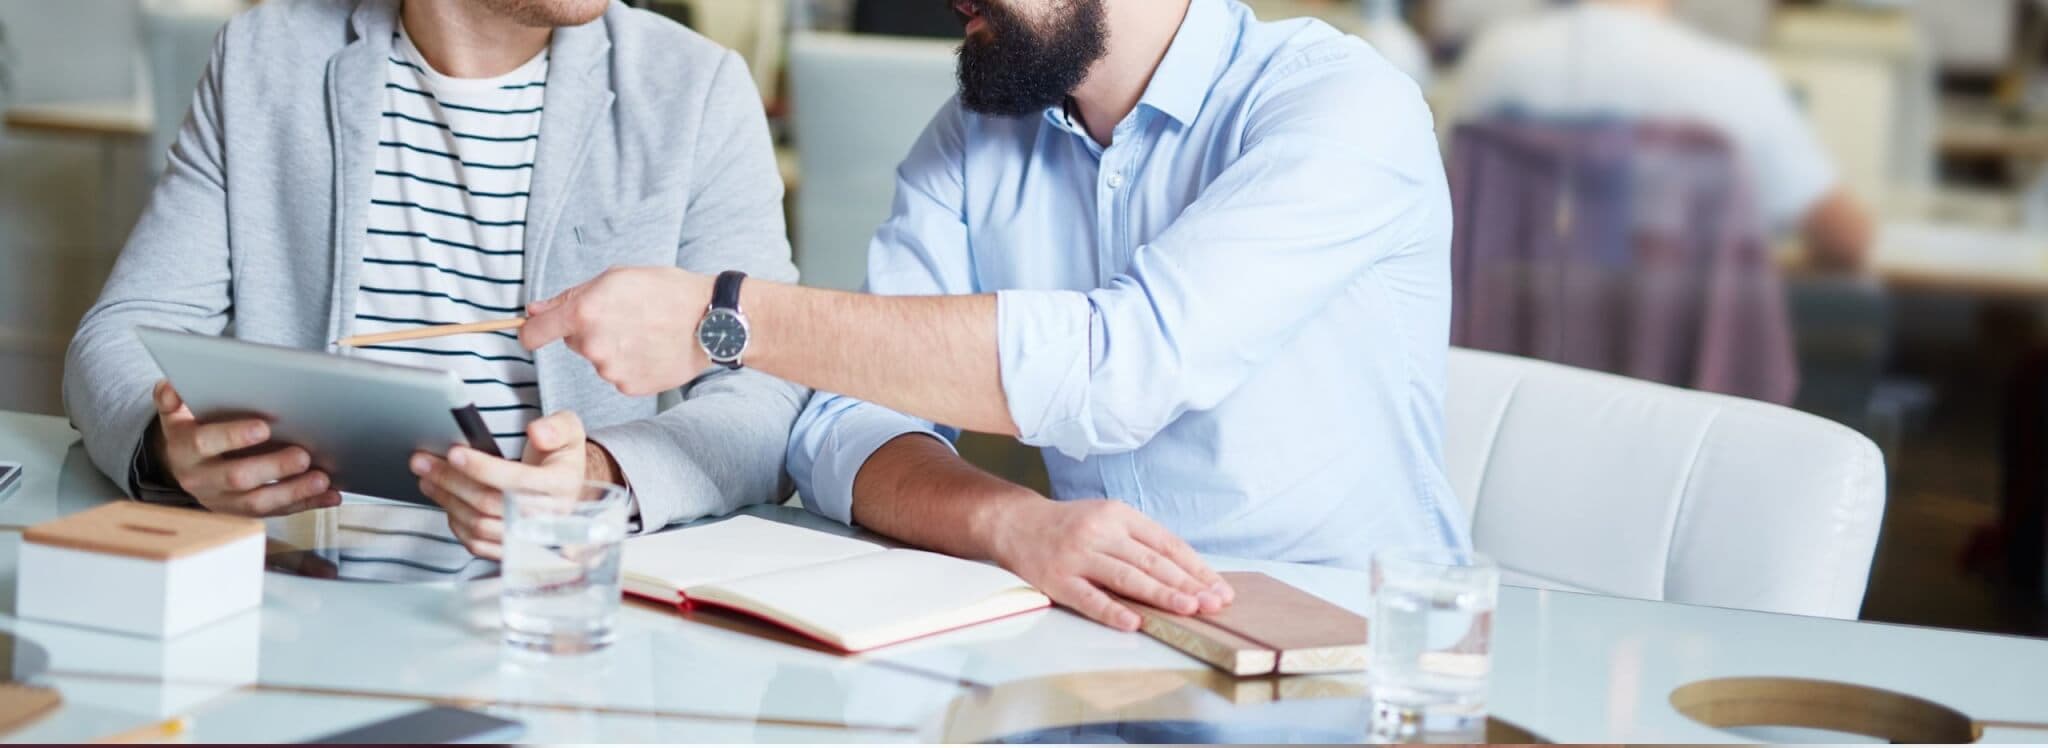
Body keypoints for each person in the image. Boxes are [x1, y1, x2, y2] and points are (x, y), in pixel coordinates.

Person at [516, 0, 1469, 630]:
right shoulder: (975, 137)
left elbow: (1119, 367)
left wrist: (725, 315)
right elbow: (841, 423)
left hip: (1350, 652)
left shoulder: (1339, 104)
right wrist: (1013, 523)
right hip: (1114, 649)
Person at [63, 0, 804, 557]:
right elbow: (121, 332)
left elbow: (765, 394)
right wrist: (172, 451)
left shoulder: (695, 90)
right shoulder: (264, 58)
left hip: (564, 603)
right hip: (295, 591)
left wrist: (601, 478)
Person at [1449, 0, 1873, 271]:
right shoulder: (1733, 78)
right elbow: (1845, 239)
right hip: (1691, 381)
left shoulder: (1491, 60)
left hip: (1520, 360)